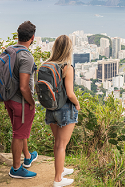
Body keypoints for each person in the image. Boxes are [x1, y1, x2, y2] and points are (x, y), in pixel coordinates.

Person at [44, 35, 80, 187]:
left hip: (50, 108)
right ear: (68, 50)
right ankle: (58, 179)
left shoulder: (46, 64)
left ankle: (61, 170)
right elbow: (70, 93)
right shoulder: (67, 67)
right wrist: (77, 104)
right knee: (61, 145)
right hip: (65, 109)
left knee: (57, 143)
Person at [5, 21, 38, 179]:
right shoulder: (26, 57)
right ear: (32, 38)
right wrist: (31, 102)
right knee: (19, 134)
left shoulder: (10, 50)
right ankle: (16, 169)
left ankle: (27, 156)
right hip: (21, 102)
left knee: (20, 130)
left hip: (9, 98)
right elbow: (24, 87)